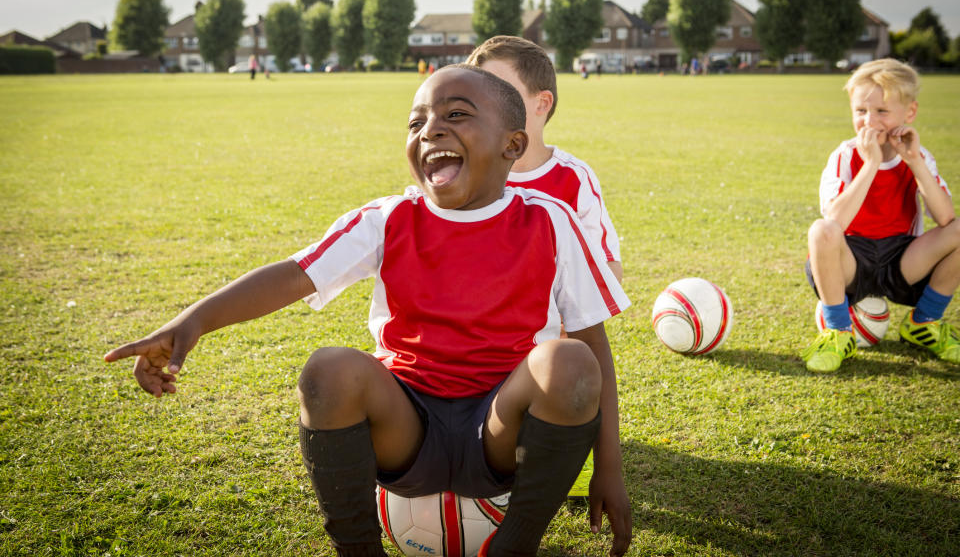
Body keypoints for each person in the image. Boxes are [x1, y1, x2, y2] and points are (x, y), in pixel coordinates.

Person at [103, 65, 632, 557]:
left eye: (456, 115)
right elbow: (293, 274)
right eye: (416, 122)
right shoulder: (390, 218)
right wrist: (191, 321)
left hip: (498, 432)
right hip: (406, 429)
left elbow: (593, 344)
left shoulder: (549, 221)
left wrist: (609, 466)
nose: (430, 131)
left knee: (569, 362)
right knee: (329, 368)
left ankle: (514, 547)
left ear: (512, 145)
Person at [802, 58, 960, 372]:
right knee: (821, 231)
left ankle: (923, 322)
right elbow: (834, 222)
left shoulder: (919, 156)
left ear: (909, 112)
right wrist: (871, 163)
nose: (870, 121)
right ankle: (837, 331)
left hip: (902, 260)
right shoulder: (845, 156)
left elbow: (946, 219)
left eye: (882, 112)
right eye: (861, 111)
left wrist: (914, 163)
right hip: (852, 262)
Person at [466, 35, 623, 283]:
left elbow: (608, 267)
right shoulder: (464, 175)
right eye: (475, 96)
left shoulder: (573, 178)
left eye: (498, 92)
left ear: (542, 103)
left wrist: (565, 315)